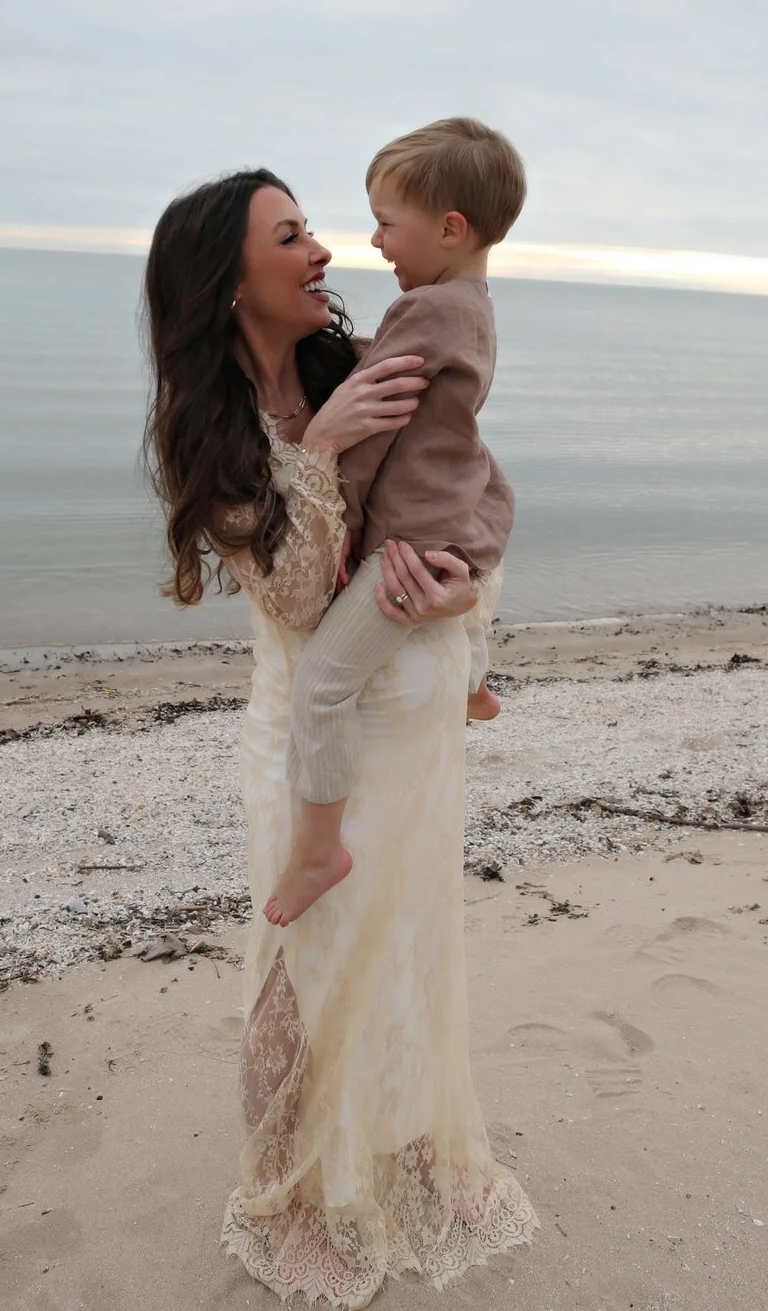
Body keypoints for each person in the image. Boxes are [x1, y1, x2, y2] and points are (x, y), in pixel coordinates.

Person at [144, 167, 538, 1307]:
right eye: (293, 234)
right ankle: (294, 1192)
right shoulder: (208, 427)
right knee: (300, 969)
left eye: (313, 227)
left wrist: (461, 585)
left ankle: (415, 1155)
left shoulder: (351, 360)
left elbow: (463, 480)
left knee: (405, 949)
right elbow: (301, 599)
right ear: (229, 280)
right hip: (313, 739)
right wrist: (315, 445)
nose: (323, 251)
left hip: (416, 717)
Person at [265, 117, 524, 929]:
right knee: (451, 596)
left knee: (324, 684)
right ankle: (476, 681)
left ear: (451, 229)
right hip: (458, 521)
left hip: (407, 542)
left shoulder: (422, 313)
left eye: (386, 222)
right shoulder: (471, 305)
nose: (372, 243)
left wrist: (339, 522)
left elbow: (374, 435)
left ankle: (317, 850)